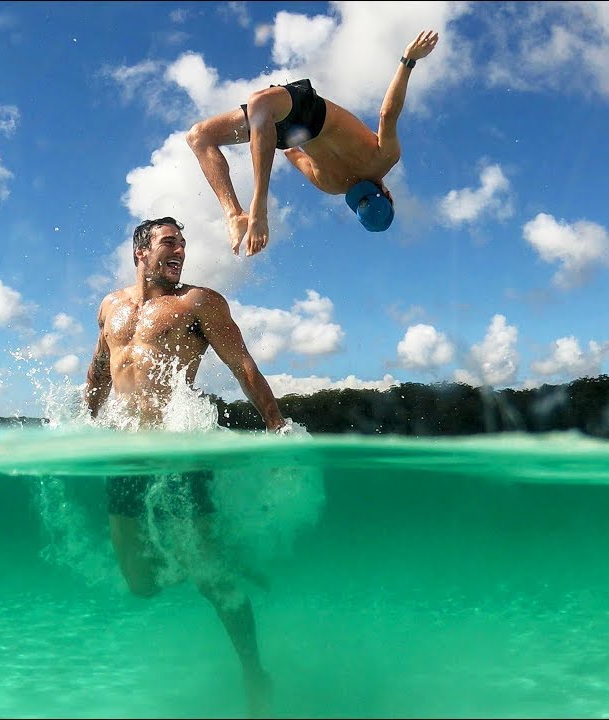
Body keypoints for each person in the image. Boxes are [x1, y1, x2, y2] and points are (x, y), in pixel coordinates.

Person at [84, 216, 288, 717]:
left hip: (180, 447)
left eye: (182, 244)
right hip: (127, 455)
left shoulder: (199, 303)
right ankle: (205, 557)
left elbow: (243, 365)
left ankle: (254, 671)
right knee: (140, 583)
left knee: (212, 578)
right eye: (169, 243)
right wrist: (85, 427)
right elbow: (99, 370)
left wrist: (276, 424)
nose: (179, 251)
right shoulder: (110, 306)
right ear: (141, 251)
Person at [187, 30, 440, 257]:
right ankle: (234, 214)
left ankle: (254, 208)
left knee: (211, 130)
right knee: (200, 135)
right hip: (291, 130)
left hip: (306, 115)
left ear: (388, 195)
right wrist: (269, 134)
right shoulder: (330, 185)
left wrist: (408, 61)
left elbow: (387, 114)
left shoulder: (384, 158)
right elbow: (291, 153)